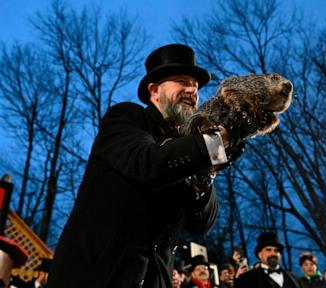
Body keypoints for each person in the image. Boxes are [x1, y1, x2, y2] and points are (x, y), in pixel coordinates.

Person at [46, 43, 236, 288]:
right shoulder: (126, 118)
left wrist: (205, 174)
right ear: (154, 90)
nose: (192, 90)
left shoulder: (187, 148)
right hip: (99, 276)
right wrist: (212, 145)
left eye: (196, 86)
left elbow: (201, 223)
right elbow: (147, 162)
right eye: (182, 81)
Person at [235, 232, 303, 288]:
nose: (273, 253)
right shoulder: (245, 279)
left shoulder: (294, 278)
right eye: (268, 250)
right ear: (260, 254)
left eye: (276, 250)